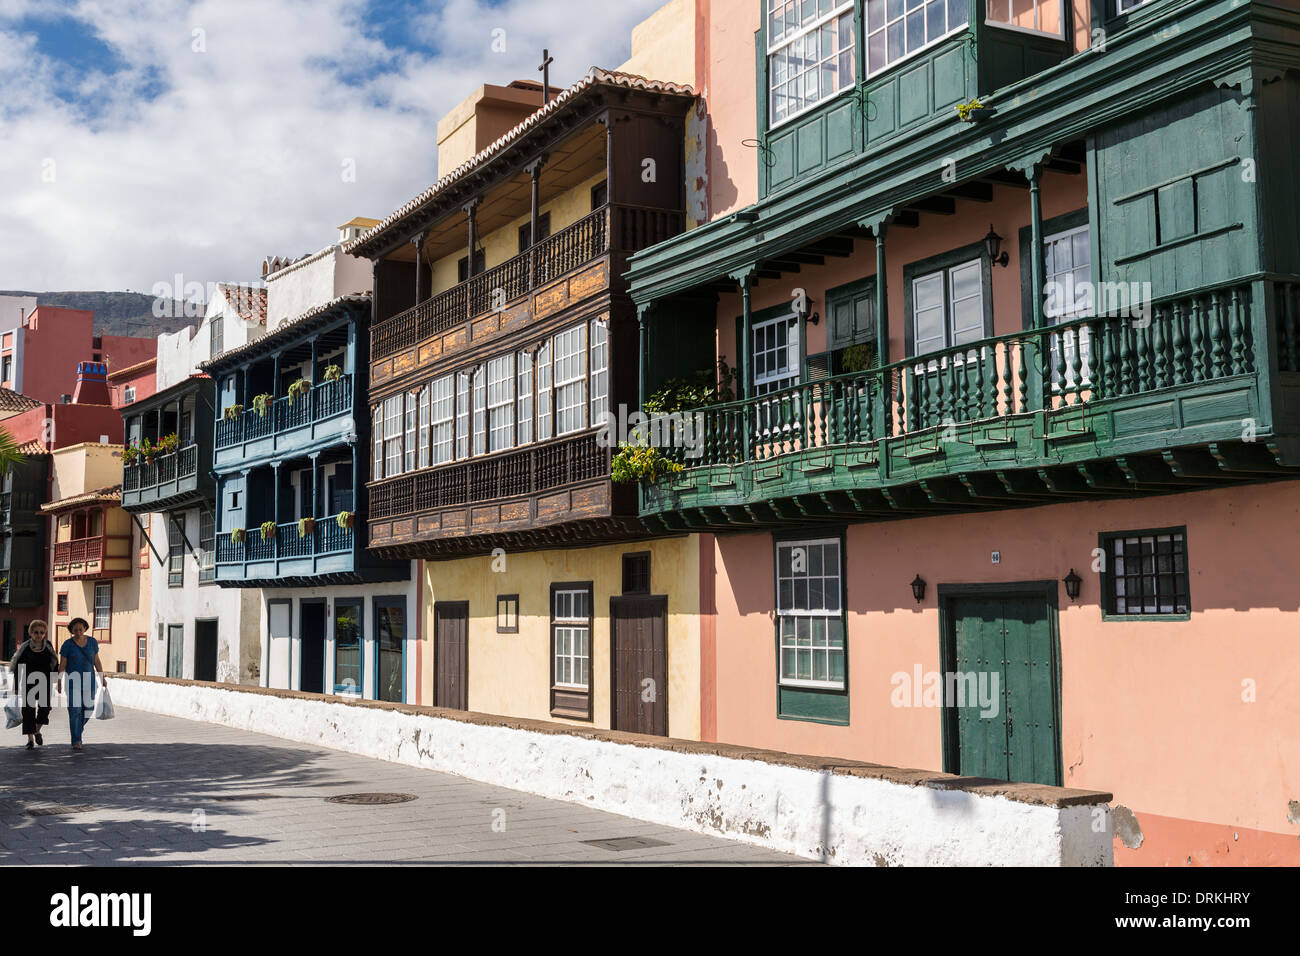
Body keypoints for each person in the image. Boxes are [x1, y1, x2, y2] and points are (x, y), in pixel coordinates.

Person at [57, 618, 104, 751]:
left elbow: (97, 662)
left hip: (89, 681)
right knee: (75, 711)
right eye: (75, 630)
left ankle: (78, 729)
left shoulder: (92, 642)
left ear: (85, 628)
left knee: (88, 709)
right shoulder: (67, 645)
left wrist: (102, 678)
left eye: (80, 629)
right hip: (73, 682)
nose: (78, 632)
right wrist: (59, 681)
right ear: (71, 630)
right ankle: (76, 740)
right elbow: (63, 665)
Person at [11, 620, 57, 750]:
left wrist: (56, 680)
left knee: (45, 708)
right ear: (30, 633)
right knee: (28, 711)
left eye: (42, 632)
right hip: (29, 682)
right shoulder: (25, 647)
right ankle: (30, 740)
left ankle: (37, 730)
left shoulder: (48, 646)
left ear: (45, 633)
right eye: (36, 632)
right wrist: (15, 686)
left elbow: (54, 663)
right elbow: (17, 667)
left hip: (45, 682)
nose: (39, 635)